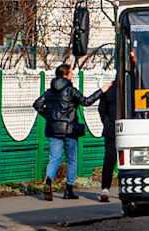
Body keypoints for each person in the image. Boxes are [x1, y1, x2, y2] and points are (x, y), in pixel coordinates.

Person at [32, 64, 109, 201]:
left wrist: (50, 117)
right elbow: (86, 102)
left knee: (54, 158)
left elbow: (37, 104)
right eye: (71, 73)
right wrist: (101, 91)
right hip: (69, 130)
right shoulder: (71, 91)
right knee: (71, 160)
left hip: (53, 130)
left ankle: (48, 182)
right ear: (66, 75)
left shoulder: (49, 92)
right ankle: (68, 191)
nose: (72, 75)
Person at [98, 78, 118, 203]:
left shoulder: (109, 90)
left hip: (111, 129)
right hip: (130, 129)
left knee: (109, 160)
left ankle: (105, 189)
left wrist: (107, 122)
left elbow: (101, 109)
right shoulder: (133, 88)